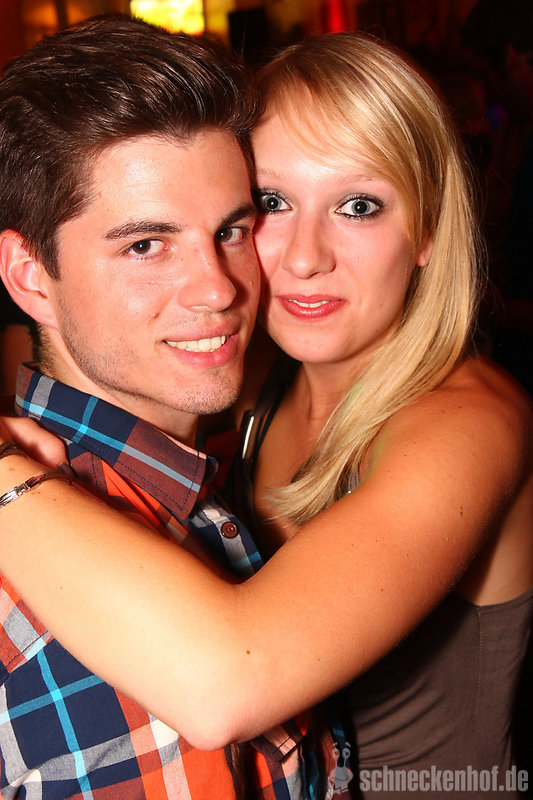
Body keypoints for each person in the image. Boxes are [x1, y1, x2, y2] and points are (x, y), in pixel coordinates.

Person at [1, 30, 532, 799]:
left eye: (358, 206)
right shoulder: (254, 380)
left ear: (425, 229)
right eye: (273, 204)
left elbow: (229, 678)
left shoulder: (466, 421)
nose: (306, 257)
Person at [0, 15, 342, 800]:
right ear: (29, 275)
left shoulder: (194, 479)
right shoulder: (75, 603)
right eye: (145, 246)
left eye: (232, 230)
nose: (218, 289)